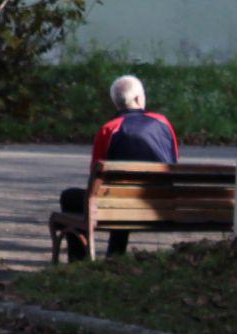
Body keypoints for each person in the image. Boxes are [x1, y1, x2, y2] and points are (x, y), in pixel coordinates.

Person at [58, 74, 178, 259]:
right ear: (138, 99)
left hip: (118, 204)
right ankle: (114, 256)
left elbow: (95, 175)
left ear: (117, 103)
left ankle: (79, 261)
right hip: (160, 203)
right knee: (122, 195)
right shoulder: (163, 123)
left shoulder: (109, 129)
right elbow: (173, 160)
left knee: (70, 197)